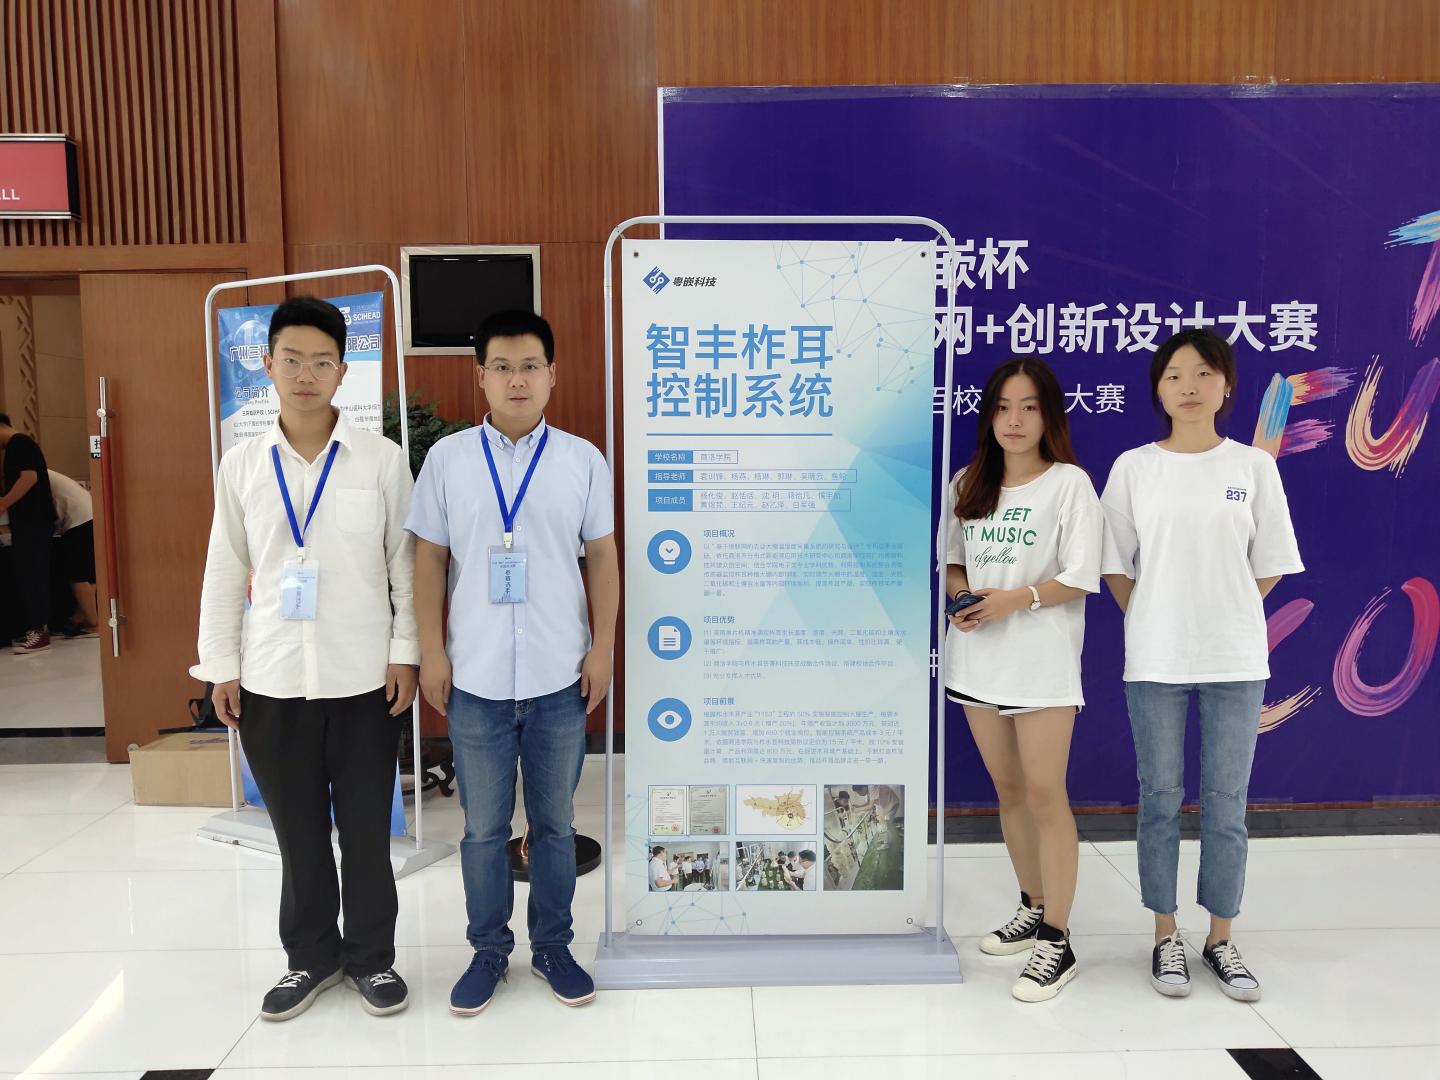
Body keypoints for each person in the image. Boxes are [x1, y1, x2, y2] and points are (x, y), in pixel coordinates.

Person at [191, 296, 419, 1022]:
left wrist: (406, 654)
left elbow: (405, 566)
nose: (306, 374)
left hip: (363, 679)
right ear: (267, 365)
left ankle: (372, 958)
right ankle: (310, 958)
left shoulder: (381, 460)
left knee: (366, 834)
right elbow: (224, 568)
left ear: (343, 371)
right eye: (291, 359)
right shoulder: (242, 465)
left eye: (322, 361)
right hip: (272, 679)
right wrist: (221, 665)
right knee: (298, 837)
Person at [409, 309, 618, 1015]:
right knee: (483, 830)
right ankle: (488, 951)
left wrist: (603, 646)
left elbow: (603, 558)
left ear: (552, 375)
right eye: (502, 367)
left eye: (530, 366)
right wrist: (431, 650)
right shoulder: (448, 460)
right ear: (481, 378)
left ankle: (553, 946)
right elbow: (428, 559)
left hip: (561, 675)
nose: (517, 379)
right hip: (476, 678)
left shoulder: (582, 460)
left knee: (555, 826)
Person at [1101, 328, 1303, 1002]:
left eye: (1203, 373)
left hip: (1236, 656)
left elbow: (1270, 562)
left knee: (1226, 803)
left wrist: (1226, 606)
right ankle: (1165, 934)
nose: (1188, 387)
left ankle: (1221, 938)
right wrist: (1152, 612)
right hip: (1155, 657)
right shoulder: (1134, 468)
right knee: (1159, 797)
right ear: (1158, 391)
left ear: (1226, 385)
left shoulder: (1253, 467)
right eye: (1174, 376)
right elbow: (1113, 562)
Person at [943, 356, 1101, 1003]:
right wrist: (961, 598)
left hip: (1041, 667)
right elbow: (953, 563)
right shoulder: (968, 483)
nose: (1014, 420)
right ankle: (1033, 906)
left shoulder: (1069, 485)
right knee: (1008, 792)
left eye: (1029, 407)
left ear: (1048, 415)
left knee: (1044, 794)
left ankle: (1058, 941)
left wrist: (1016, 599)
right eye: (1004, 407)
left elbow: (1080, 576)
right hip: (977, 661)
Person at [0, 413, 57, 654]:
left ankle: (39, 632)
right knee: (28, 575)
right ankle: (35, 628)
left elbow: (29, 478)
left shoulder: (20, 443)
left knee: (33, 576)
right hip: (29, 523)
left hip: (34, 523)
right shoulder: (17, 446)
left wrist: (3, 503)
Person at [48, 470, 99, 635]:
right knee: (90, 574)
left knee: (78, 576)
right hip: (90, 514)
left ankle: (94, 623)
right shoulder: (48, 473)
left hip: (77, 519)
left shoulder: (30, 474)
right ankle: (80, 617)